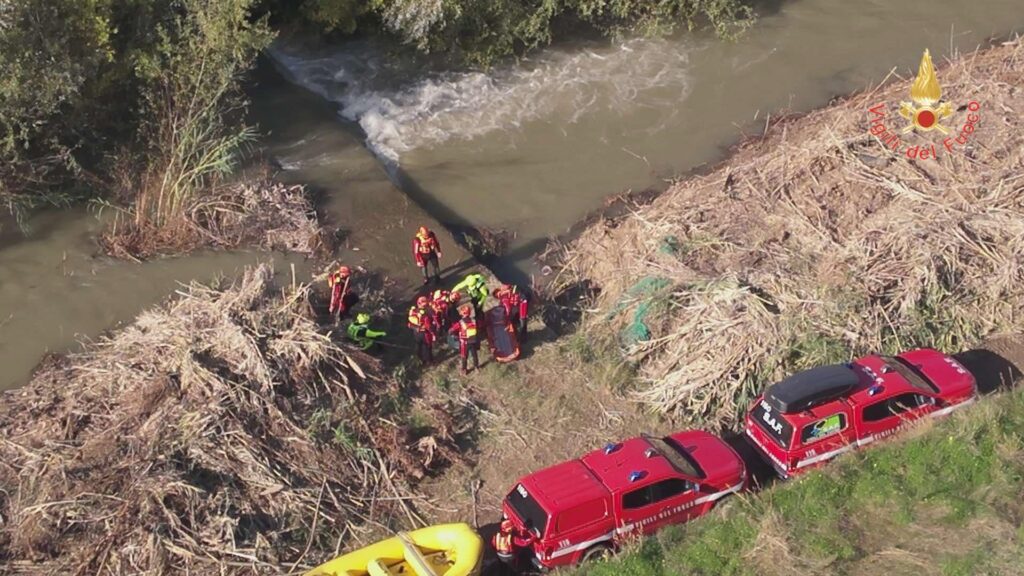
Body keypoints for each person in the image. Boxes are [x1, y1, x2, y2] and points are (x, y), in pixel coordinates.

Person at [449, 304, 480, 375]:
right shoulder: (474, 321)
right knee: (474, 355)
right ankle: (476, 368)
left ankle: (464, 370)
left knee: (464, 356)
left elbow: (452, 330)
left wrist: (454, 335)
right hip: (473, 341)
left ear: (462, 313)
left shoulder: (461, 322)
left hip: (464, 342)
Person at [407, 296, 435, 365]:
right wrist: (433, 333)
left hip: (417, 332)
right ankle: (428, 360)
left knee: (421, 346)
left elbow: (409, 324)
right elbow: (429, 324)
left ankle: (423, 360)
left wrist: (416, 328)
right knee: (427, 346)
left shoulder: (413, 311)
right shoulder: (428, 311)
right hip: (424, 333)